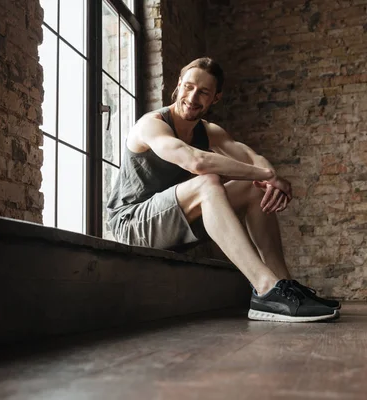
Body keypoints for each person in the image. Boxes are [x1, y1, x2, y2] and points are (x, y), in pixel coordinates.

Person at [106, 57, 341, 322]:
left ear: (215, 98)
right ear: (178, 85)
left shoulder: (209, 131)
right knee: (208, 181)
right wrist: (267, 175)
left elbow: (252, 157)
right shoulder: (152, 124)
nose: (193, 97)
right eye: (189, 87)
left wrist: (270, 177)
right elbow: (196, 161)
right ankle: (264, 289)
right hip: (133, 225)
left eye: (203, 92)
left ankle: (283, 287)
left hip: (176, 222)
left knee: (254, 189)